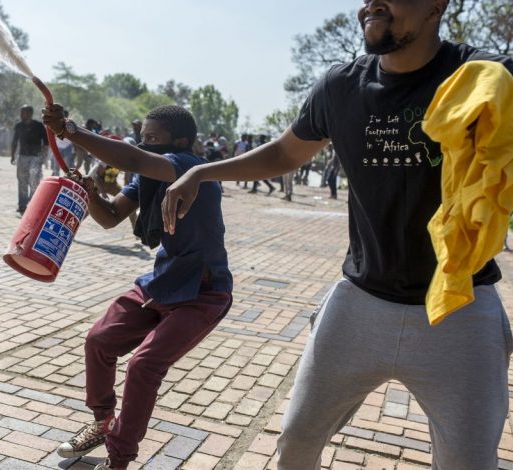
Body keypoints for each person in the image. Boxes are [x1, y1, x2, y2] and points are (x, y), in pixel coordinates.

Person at [162, 1, 513, 468]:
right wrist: (203, 172)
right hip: (360, 302)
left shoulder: (487, 78)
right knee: (296, 443)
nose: (372, 5)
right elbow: (286, 154)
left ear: (437, 5)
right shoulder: (340, 86)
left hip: (460, 309)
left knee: (469, 461)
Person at [42, 104, 232, 470]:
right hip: (161, 283)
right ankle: (102, 422)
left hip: (204, 292)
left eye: (152, 139)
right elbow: (112, 217)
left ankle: (119, 457)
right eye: (142, 138)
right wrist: (91, 193)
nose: (144, 144)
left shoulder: (193, 170)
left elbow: (131, 156)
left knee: (143, 365)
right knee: (99, 340)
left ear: (180, 143)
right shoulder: (147, 177)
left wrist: (71, 130)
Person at [11, 104, 47, 213]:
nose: (21, 115)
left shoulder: (39, 126)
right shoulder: (18, 126)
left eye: (24, 112)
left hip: (35, 158)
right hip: (22, 157)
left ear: (30, 113)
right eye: (21, 112)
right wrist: (12, 155)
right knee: (22, 180)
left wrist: (42, 158)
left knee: (34, 181)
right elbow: (14, 141)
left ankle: (33, 204)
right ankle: (22, 205)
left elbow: (46, 144)